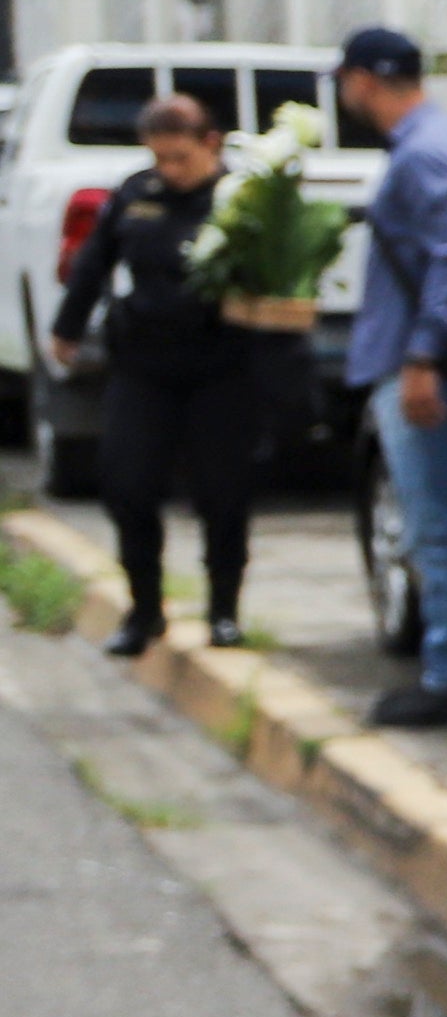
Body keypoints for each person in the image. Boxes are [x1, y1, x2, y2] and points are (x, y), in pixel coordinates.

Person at [56, 94, 301, 657]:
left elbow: (279, 276)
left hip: (221, 368)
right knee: (127, 486)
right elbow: (95, 261)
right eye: (159, 157)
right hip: (144, 366)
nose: (169, 170)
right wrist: (66, 328)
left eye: (180, 158)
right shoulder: (137, 193)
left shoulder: (241, 199)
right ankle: (145, 613)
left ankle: (223, 613)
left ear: (210, 143)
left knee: (224, 492)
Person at [341, 26, 447, 729]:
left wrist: (421, 358)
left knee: (438, 528)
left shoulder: (428, 149)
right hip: (411, 358)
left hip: (423, 369)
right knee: (432, 526)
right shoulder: (421, 144)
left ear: (363, 82)